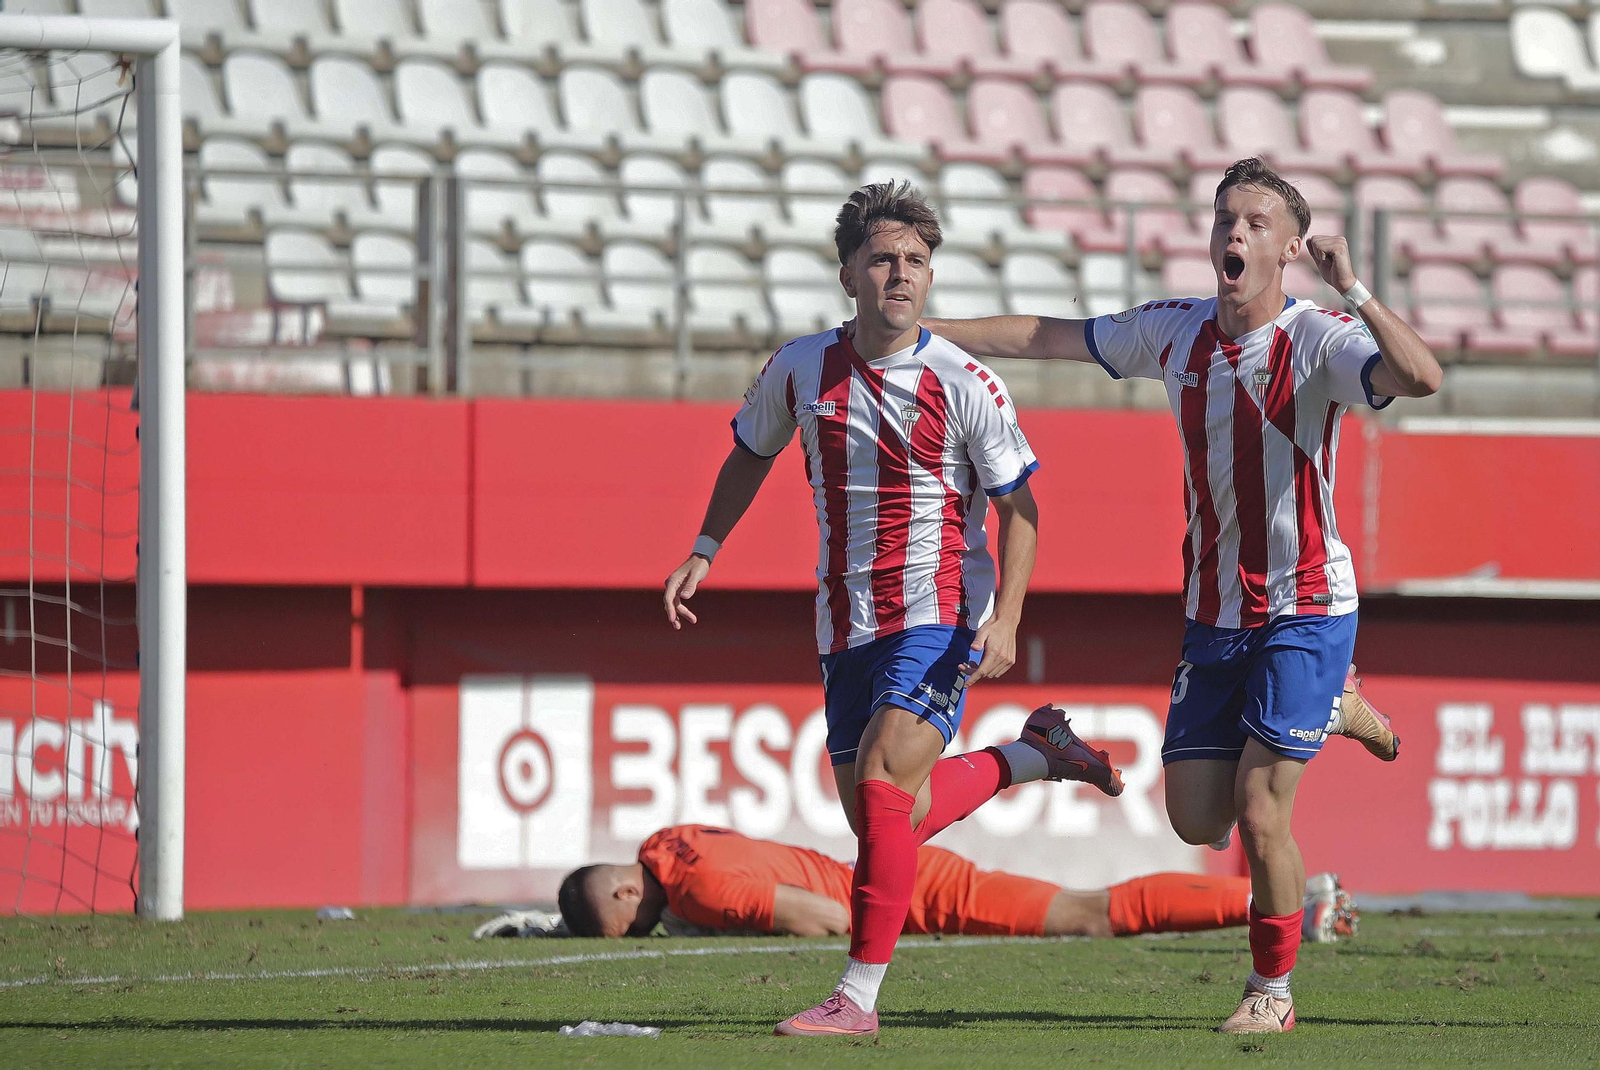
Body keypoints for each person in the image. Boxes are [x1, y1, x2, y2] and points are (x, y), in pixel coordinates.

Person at [921, 158, 1439, 1035]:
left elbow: (1422, 376)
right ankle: (1334, 707)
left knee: (1260, 813)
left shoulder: (1321, 338)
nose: (1234, 233)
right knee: (1197, 820)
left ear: (1289, 249)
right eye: (1224, 218)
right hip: (1214, 615)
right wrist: (927, 331)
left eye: (1256, 223)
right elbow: (1051, 336)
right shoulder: (1175, 331)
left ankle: (1272, 990)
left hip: (1308, 605)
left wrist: (1354, 288)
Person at [661, 182, 1123, 1039]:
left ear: (931, 277)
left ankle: (857, 1000)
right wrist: (705, 546)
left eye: (915, 260)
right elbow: (750, 453)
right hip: (845, 623)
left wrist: (1007, 617)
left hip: (939, 613)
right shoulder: (801, 367)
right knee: (889, 818)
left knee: (880, 784)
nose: (900, 274)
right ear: (849, 275)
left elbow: (1021, 511)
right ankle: (1033, 753)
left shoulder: (966, 381)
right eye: (882, 259)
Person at [542, 824, 1357, 944]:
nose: (642, 933)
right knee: (1091, 910)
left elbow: (828, 921)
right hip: (895, 873)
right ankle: (1285, 903)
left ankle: (1287, 906)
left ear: (627, 896)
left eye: (630, 928)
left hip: (920, 897)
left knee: (1092, 915)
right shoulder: (665, 844)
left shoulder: (697, 893)